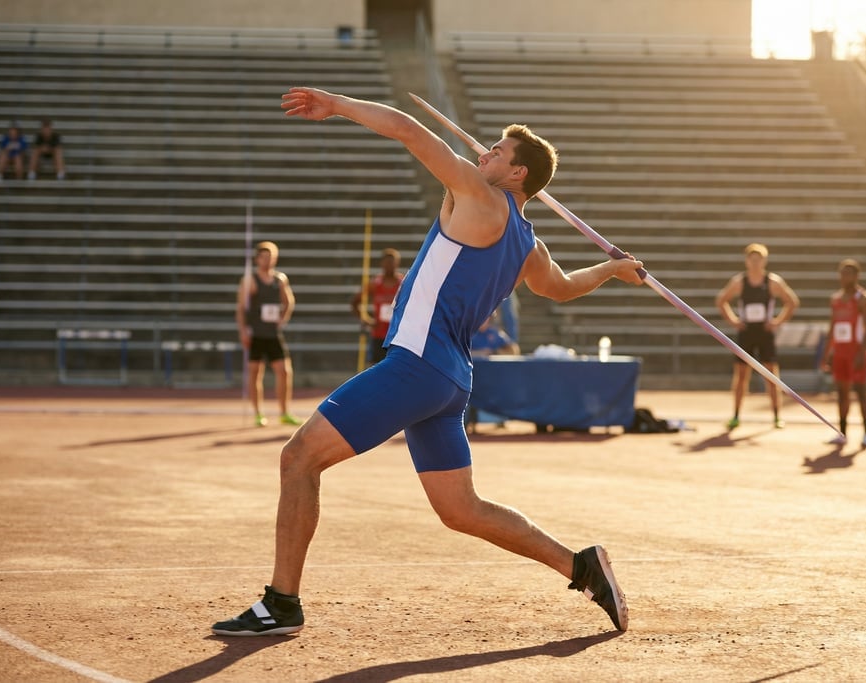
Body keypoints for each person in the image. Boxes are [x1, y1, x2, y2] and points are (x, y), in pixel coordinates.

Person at [211, 87, 644, 637]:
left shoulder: (478, 198)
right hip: (449, 379)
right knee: (460, 510)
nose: (483, 154)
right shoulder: (528, 244)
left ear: (517, 176)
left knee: (299, 460)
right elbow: (559, 288)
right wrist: (612, 269)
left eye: (496, 152)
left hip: (416, 365)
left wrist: (337, 105)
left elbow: (412, 132)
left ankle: (282, 602)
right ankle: (580, 566)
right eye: (486, 149)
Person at [716, 243, 800, 430]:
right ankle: (736, 415)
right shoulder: (740, 281)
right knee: (741, 375)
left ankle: (777, 416)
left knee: (771, 375)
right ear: (747, 261)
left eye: (758, 259)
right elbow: (722, 300)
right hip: (746, 332)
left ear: (764, 261)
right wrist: (733, 320)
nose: (755, 263)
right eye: (752, 259)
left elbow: (792, 302)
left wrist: (777, 322)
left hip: (765, 332)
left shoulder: (772, 281)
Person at [236, 241, 301, 427]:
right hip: (256, 332)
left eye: (271, 257)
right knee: (255, 372)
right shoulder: (250, 280)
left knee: (284, 371)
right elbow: (241, 308)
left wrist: (283, 318)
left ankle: (284, 412)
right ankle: (258, 413)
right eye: (264, 257)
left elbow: (289, 300)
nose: (268, 260)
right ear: (257, 259)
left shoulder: (279, 279)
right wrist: (243, 330)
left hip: (272, 333)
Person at [820, 259, 866, 448]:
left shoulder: (863, 299)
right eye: (842, 273)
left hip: (856, 351)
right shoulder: (835, 299)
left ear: (857, 276)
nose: (845, 277)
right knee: (842, 393)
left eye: (849, 273)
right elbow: (833, 328)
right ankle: (842, 432)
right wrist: (827, 353)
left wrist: (862, 352)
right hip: (840, 353)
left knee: (860, 392)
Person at [351, 247, 403, 365]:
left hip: (396, 335)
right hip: (378, 335)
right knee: (374, 367)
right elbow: (355, 302)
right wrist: (366, 320)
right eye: (387, 262)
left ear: (397, 263)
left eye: (392, 262)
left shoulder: (403, 283)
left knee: (396, 368)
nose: (390, 265)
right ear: (382, 263)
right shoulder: (375, 284)